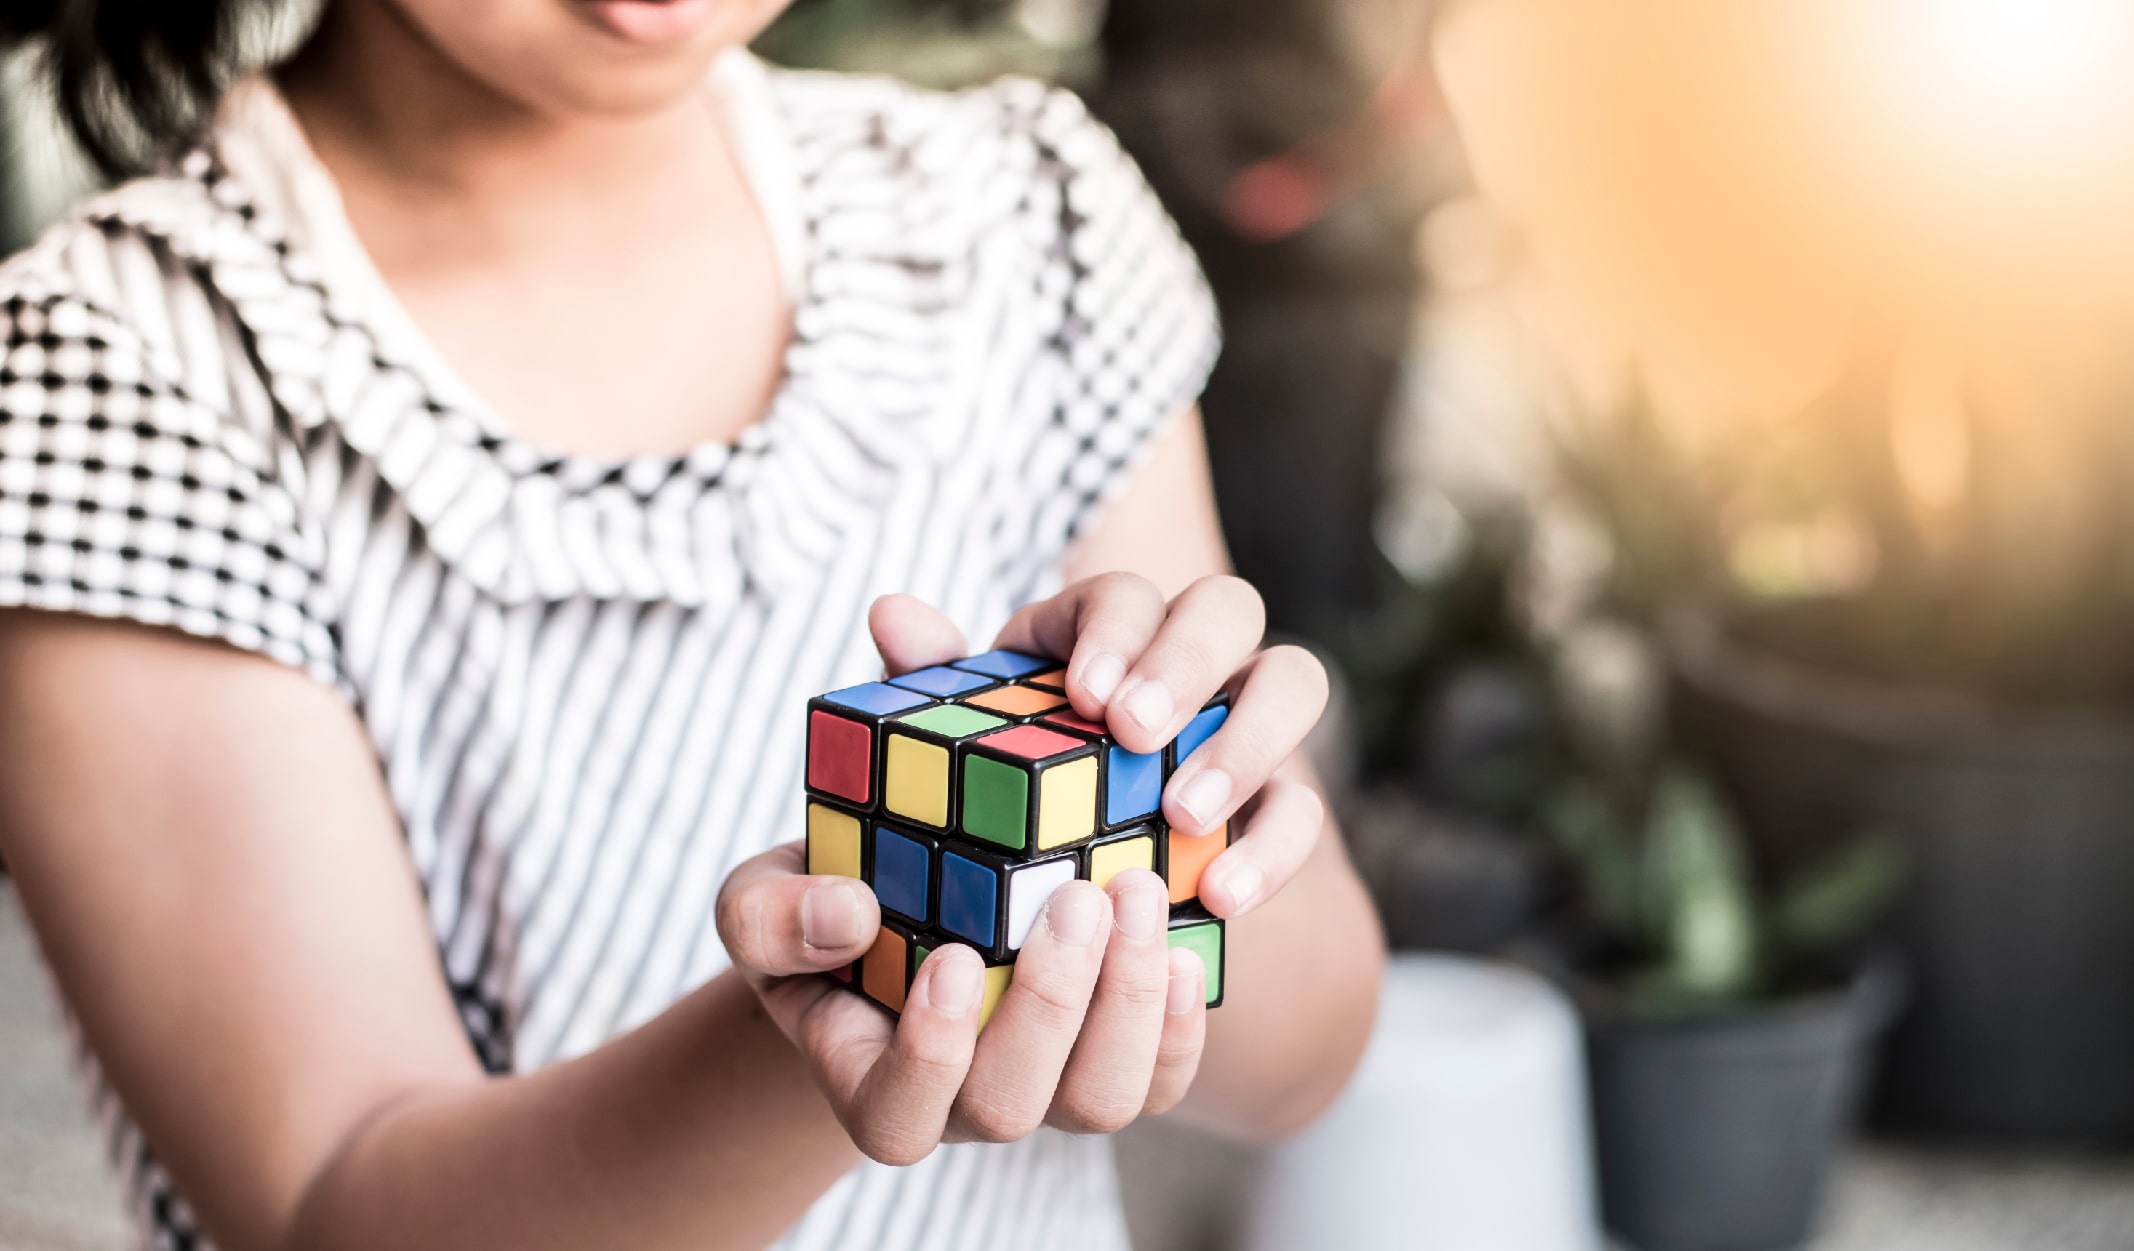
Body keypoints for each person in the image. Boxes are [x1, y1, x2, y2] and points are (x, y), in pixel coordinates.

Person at [0, 2, 1385, 1249]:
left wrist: (1183, 831)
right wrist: (832, 1025)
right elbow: (334, 1210)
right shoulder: (120, 375)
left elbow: (1313, 1053)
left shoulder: (1023, 222)